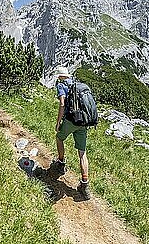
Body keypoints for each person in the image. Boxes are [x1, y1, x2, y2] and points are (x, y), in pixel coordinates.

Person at [52, 66, 91, 200]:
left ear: (60, 76)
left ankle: (61, 164)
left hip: (71, 120)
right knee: (82, 153)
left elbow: (62, 104)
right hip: (84, 122)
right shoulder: (78, 84)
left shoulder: (62, 85)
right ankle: (85, 186)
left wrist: (58, 122)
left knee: (59, 138)